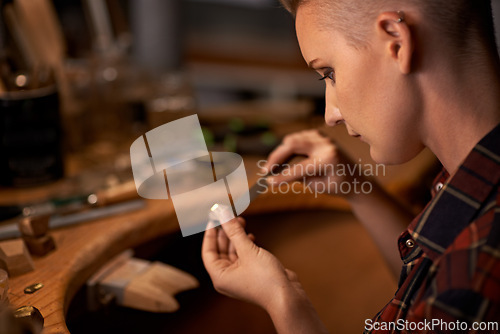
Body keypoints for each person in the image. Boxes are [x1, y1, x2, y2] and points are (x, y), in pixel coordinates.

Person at [202, 0, 500, 332]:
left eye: (329, 73)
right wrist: (357, 188)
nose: (331, 115)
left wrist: (284, 303)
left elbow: (451, 283)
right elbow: (430, 277)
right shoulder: (472, 178)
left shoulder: (477, 270)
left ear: (397, 41)